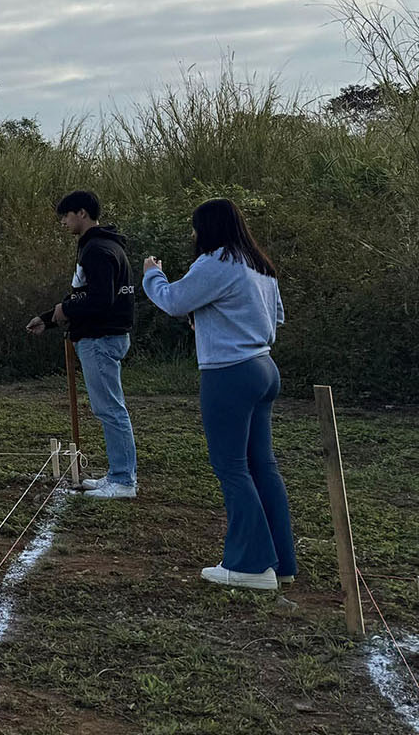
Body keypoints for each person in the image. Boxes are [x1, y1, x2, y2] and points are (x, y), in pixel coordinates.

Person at [142, 199, 296, 591]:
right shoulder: (259, 264)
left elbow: (174, 301)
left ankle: (250, 565)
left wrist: (152, 276)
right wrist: (214, 319)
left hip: (229, 373)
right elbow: (272, 317)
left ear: (207, 229)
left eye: (195, 229)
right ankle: (280, 562)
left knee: (230, 466)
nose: (194, 237)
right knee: (263, 464)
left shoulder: (215, 261)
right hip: (264, 367)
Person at [26, 190, 138, 499]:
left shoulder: (97, 250)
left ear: (82, 214)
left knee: (110, 409)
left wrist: (67, 311)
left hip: (100, 339)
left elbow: (100, 299)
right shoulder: (102, 246)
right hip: (100, 337)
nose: (63, 222)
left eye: (66, 215)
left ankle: (123, 481)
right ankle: (116, 474)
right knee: (107, 409)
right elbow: (82, 295)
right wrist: (50, 318)